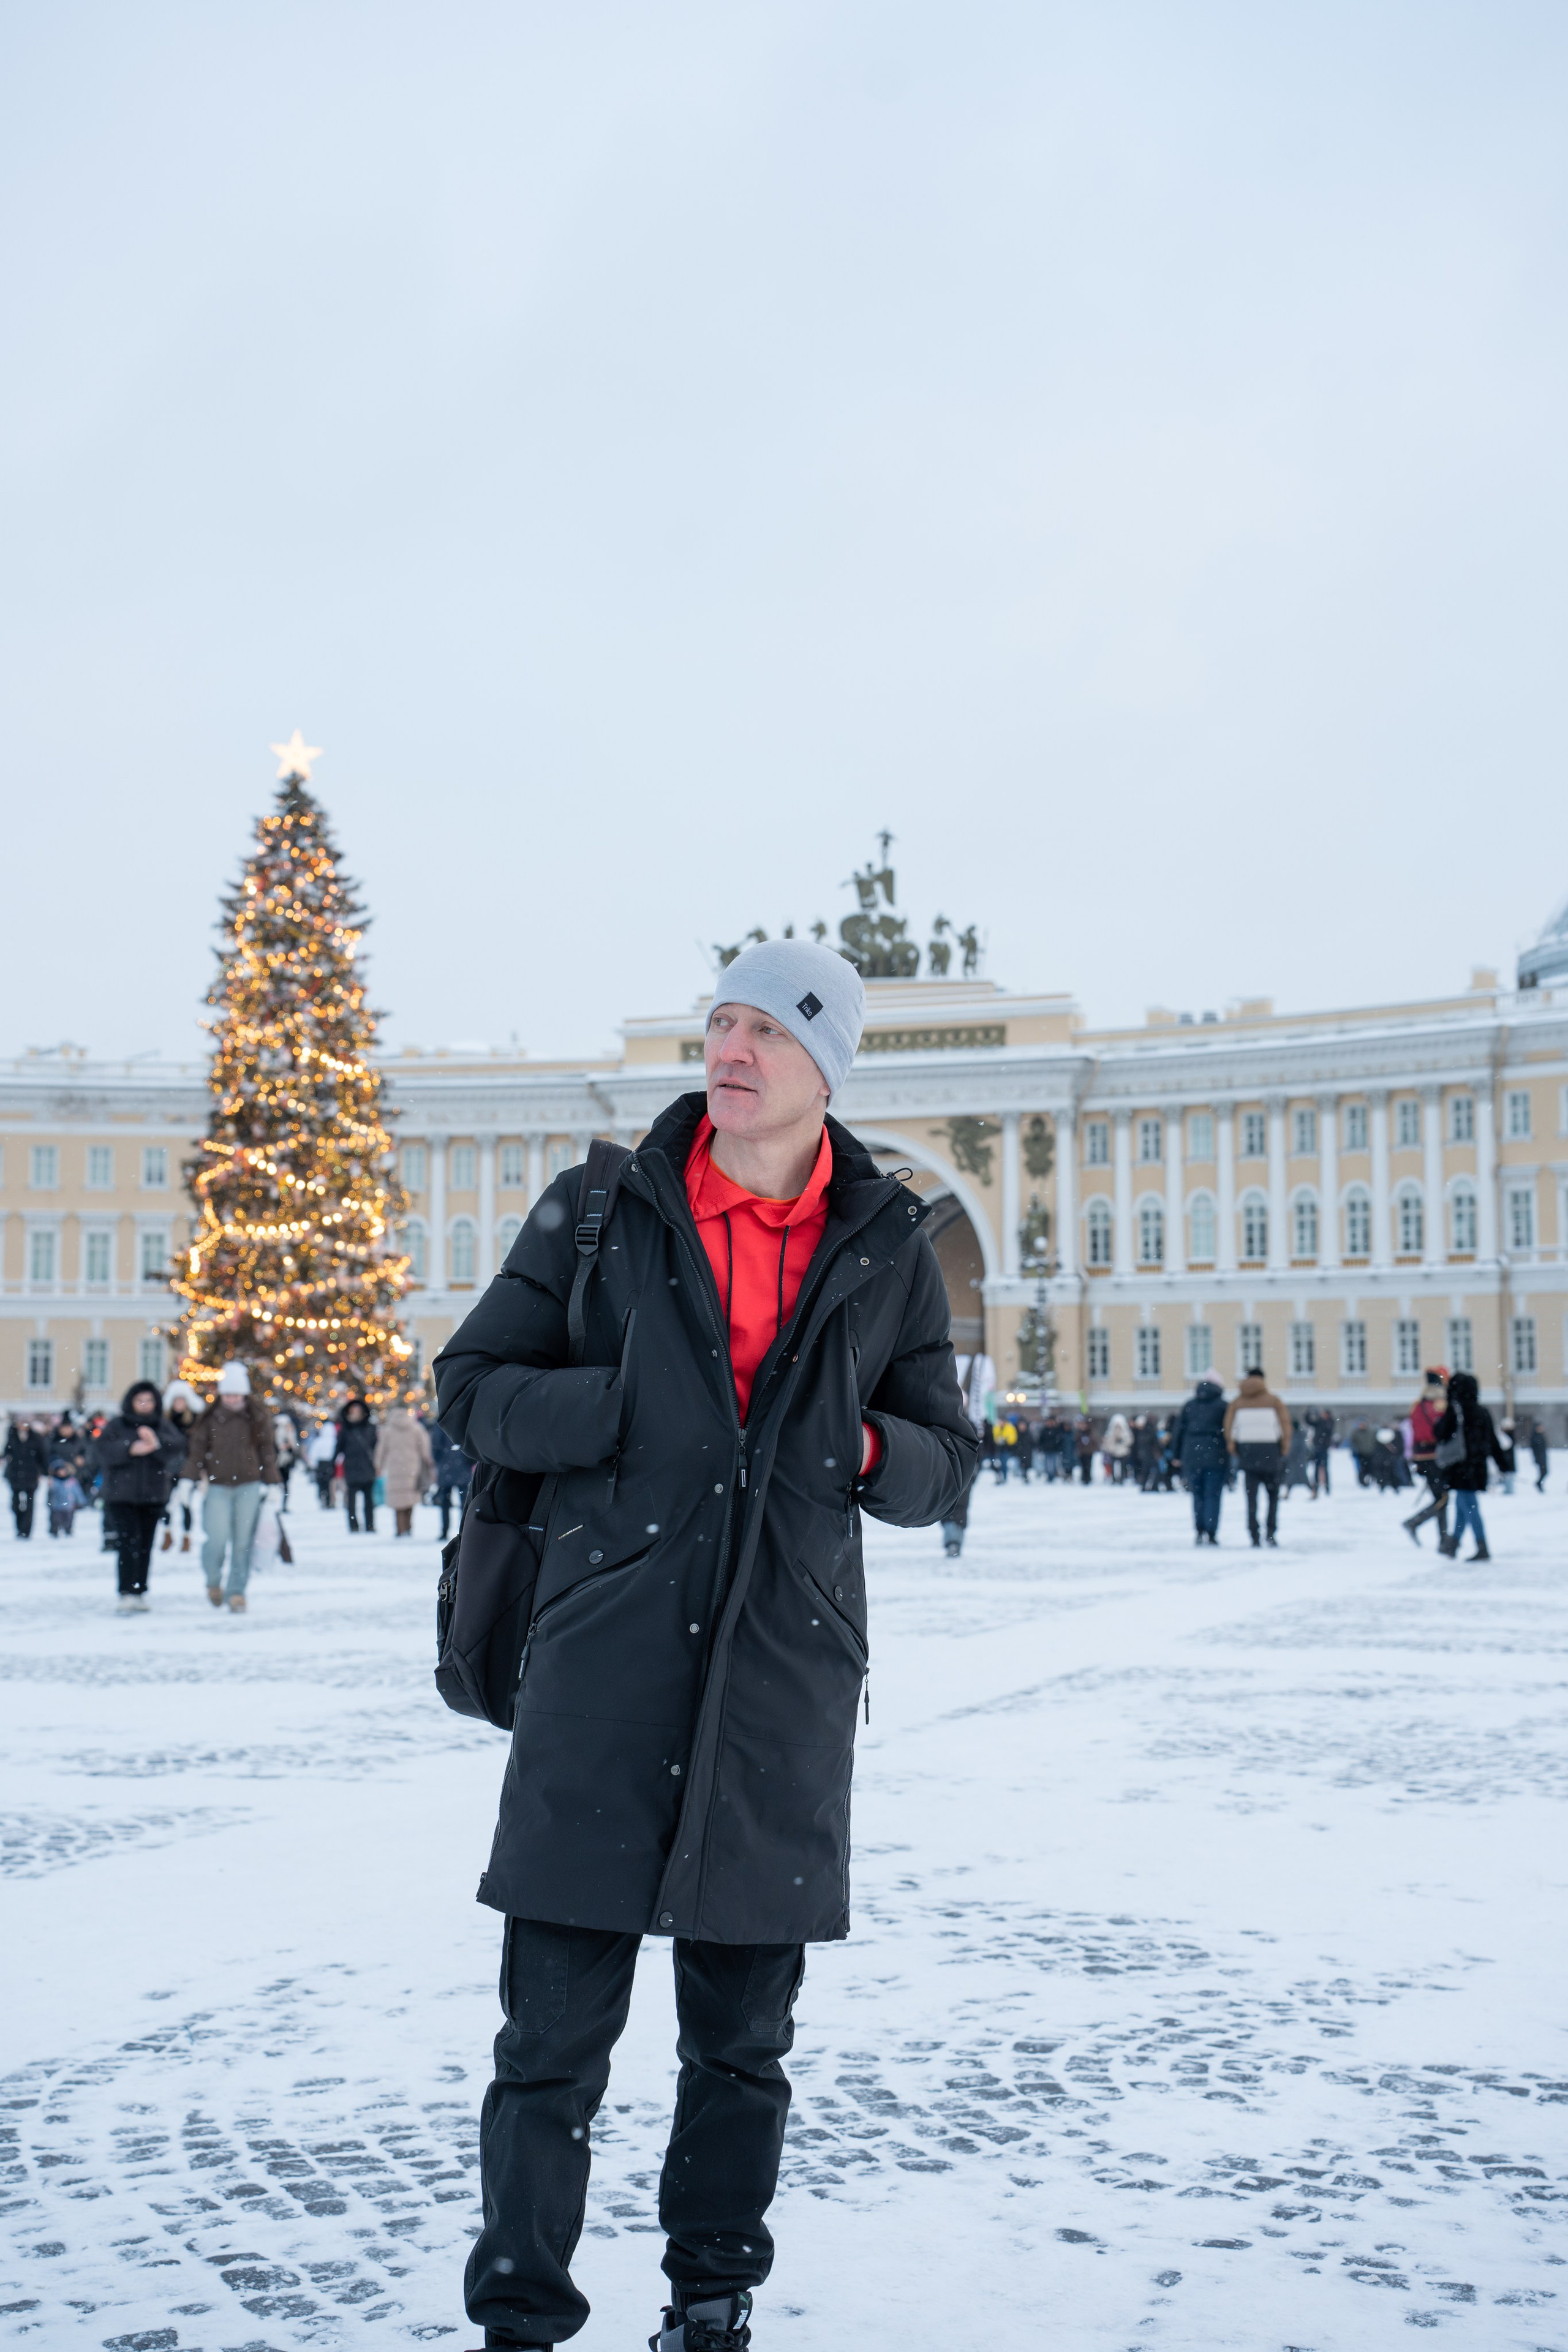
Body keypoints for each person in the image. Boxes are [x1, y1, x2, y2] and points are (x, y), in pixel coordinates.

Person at [433, 936, 975, 2352]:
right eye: (717, 1022)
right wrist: (610, 1409)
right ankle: (520, 2320)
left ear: (824, 1068)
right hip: (598, 1681)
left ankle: (711, 2306)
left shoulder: (884, 1248)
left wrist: (861, 1442)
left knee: (740, 2053)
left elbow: (943, 1465)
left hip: (778, 1695)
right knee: (546, 2050)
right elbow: (472, 1387)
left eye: (765, 1031)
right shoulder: (600, 1209)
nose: (727, 1050)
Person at [181, 1360, 281, 1611]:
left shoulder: (257, 1419)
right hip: (217, 1487)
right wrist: (187, 1479)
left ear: (245, 1394)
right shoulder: (210, 1419)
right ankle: (213, 1581)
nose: (232, 1399)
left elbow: (267, 1453)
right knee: (216, 1539)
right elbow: (197, 1453)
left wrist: (273, 1484)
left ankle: (237, 1592)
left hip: (248, 1486)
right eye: (228, 1394)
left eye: (237, 1394)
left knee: (242, 1542)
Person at [97, 1381, 186, 1609]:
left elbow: (178, 1447)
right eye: (140, 1401)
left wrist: (156, 1444)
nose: (145, 1406)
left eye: (149, 1401)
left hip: (152, 1496)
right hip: (121, 1497)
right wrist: (130, 1447)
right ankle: (126, 1590)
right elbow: (103, 1450)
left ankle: (140, 1589)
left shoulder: (161, 1425)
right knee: (128, 1543)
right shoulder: (119, 1424)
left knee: (145, 1545)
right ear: (132, 1402)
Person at [1430, 1370, 1511, 1561]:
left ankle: (1482, 1547)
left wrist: (1442, 1416)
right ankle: (1454, 1544)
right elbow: (1493, 1441)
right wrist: (1504, 1464)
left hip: (1460, 1467)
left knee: (1470, 1506)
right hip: (1478, 1467)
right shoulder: (1482, 1411)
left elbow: (1440, 1433)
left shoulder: (1456, 1410)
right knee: (1462, 1504)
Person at [1224, 1367, 1292, 1548]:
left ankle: (1253, 1533)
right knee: (1273, 1497)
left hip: (1248, 1453)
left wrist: (1234, 1448)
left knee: (1251, 1498)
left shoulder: (1237, 1402)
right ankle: (1271, 1532)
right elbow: (1285, 1425)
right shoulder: (1274, 1401)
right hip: (1271, 1452)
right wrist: (1284, 1448)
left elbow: (1229, 1428)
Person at [1172, 1374, 1228, 1544]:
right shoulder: (1223, 1406)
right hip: (1215, 1455)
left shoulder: (1190, 1405)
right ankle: (1211, 1531)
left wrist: (1176, 1455)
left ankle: (1199, 1529)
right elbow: (1229, 1433)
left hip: (1192, 1455)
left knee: (1197, 1495)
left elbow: (1178, 1432)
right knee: (1213, 1495)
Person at [1401, 1371, 1450, 1549]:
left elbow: (1413, 1431)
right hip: (1438, 1456)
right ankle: (1414, 1523)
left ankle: (1444, 1540)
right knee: (1443, 1499)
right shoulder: (1441, 1405)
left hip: (1421, 1456)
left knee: (1440, 1497)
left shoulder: (1417, 1405)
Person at [375, 1399, 434, 1536]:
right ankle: (408, 1526)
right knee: (410, 1498)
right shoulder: (416, 1428)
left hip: (394, 1467)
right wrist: (428, 1461)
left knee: (397, 1499)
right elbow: (425, 1448)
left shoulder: (388, 1430)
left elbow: (381, 1450)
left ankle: (399, 1528)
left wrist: (379, 1465)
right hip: (413, 1467)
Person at [336, 1398, 379, 1530]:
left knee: (368, 1500)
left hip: (367, 1467)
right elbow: (339, 1448)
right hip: (352, 1467)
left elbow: (375, 1446)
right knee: (352, 1500)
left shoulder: (370, 1428)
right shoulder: (345, 1429)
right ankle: (353, 1525)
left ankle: (370, 1525)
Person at [5, 1415, 50, 1538]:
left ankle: (26, 1530)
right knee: (16, 1504)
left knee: (30, 1504)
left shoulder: (35, 1438)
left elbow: (42, 1457)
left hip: (31, 1475)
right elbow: (7, 1452)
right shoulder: (12, 1436)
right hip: (15, 1475)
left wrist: (45, 1473)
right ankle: (19, 1527)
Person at [431, 1416, 473, 1540]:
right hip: (462, 1467)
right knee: (464, 1503)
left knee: (445, 1502)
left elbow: (436, 1444)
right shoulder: (463, 1417)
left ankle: (444, 1531)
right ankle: (465, 1530)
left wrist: (439, 1460)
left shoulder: (440, 1420)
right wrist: (469, 1460)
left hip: (446, 1467)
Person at [308, 1414, 339, 1508]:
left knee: (322, 1484)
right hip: (330, 1465)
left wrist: (313, 1465)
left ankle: (323, 1498)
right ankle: (329, 1500)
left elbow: (313, 1454)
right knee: (330, 1484)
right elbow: (339, 1455)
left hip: (321, 1465)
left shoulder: (319, 1441)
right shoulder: (334, 1441)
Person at [47, 1459, 85, 1536]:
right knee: (55, 1520)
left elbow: (78, 1492)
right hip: (56, 1506)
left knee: (68, 1520)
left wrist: (81, 1502)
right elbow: (50, 1494)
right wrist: (49, 1503)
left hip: (69, 1506)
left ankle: (68, 1530)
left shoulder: (72, 1481)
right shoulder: (54, 1482)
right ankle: (54, 1531)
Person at [273, 1409, 301, 1510]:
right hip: (277, 1460)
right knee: (280, 1484)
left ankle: (283, 1505)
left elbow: (293, 1445)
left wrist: (287, 1446)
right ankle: (279, 1505)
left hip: (286, 1460)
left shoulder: (289, 1430)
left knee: (285, 1484)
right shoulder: (275, 1430)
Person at [1102, 1411, 1133, 1483]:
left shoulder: (1125, 1432)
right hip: (1113, 1451)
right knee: (1113, 1466)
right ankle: (1114, 1479)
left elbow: (1129, 1440)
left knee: (1123, 1467)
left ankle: (1122, 1478)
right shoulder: (1111, 1432)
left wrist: (1122, 1441)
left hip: (1123, 1452)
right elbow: (1108, 1441)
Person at [1529, 1419, 1549, 1492]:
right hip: (1539, 1457)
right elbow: (1535, 1449)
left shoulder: (1541, 1435)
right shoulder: (1535, 1437)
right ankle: (1539, 1483)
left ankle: (1539, 1483)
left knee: (1545, 1472)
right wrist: (1537, 1458)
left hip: (1543, 1456)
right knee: (1544, 1472)